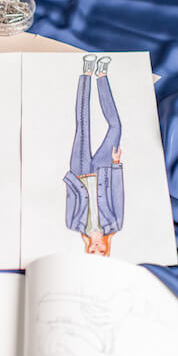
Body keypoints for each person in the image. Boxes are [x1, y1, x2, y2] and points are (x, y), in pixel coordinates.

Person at [65, 54, 123, 255]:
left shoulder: (73, 224)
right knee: (115, 127)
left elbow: (70, 197)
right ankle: (102, 76)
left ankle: (87, 72)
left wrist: (73, 179)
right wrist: (116, 165)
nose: (97, 248)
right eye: (102, 252)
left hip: (80, 171)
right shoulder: (115, 224)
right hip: (104, 172)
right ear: (107, 248)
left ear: (87, 248)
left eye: (92, 252)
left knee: (82, 125)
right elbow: (117, 194)